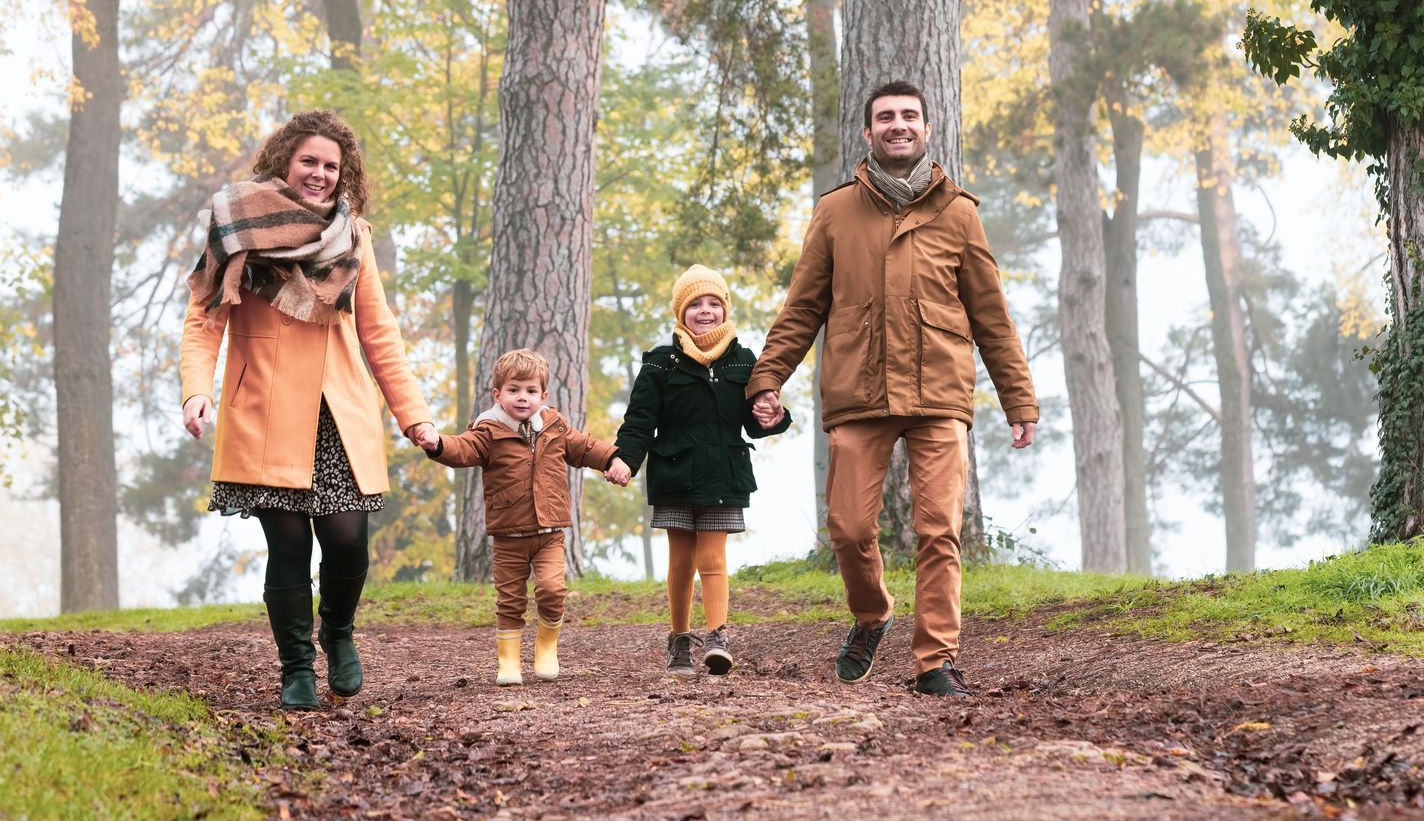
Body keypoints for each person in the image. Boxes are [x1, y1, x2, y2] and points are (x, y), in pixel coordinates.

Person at [748, 80, 1037, 698]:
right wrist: (768, 379)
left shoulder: (959, 212)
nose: (898, 125)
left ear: (928, 129)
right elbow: (802, 308)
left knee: (939, 530)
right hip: (859, 392)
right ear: (868, 132)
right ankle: (873, 612)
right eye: (886, 117)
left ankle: (935, 661)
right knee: (849, 529)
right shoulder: (835, 212)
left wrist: (1019, 400)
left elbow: (992, 317)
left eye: (909, 116)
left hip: (939, 396)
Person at [179, 109, 441, 712]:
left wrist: (413, 414)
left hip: (339, 410)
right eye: (309, 162)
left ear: (343, 174)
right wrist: (196, 391)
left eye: (331, 166)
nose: (319, 174)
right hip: (263, 409)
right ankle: (296, 665)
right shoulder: (236, 223)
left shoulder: (355, 236)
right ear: (284, 162)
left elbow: (380, 333)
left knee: (348, 540)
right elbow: (204, 318)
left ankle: (339, 632)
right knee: (290, 548)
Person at [614, 266, 790, 678]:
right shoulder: (661, 363)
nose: (705, 311)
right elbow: (640, 420)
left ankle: (717, 637)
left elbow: (755, 419)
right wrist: (624, 458)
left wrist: (773, 417)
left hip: (724, 475)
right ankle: (678, 639)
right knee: (681, 560)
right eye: (696, 304)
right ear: (681, 312)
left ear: (725, 309)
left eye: (714, 303)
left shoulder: (743, 361)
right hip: (674, 474)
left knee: (712, 557)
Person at [424, 348, 630, 686]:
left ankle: (547, 646)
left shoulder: (554, 426)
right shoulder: (487, 431)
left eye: (531, 391)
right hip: (509, 535)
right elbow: (461, 449)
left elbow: (585, 446)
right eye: (514, 390)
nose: (523, 398)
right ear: (498, 394)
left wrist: (613, 460)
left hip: (550, 532)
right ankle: (508, 661)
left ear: (543, 395)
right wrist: (436, 444)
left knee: (552, 589)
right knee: (510, 599)